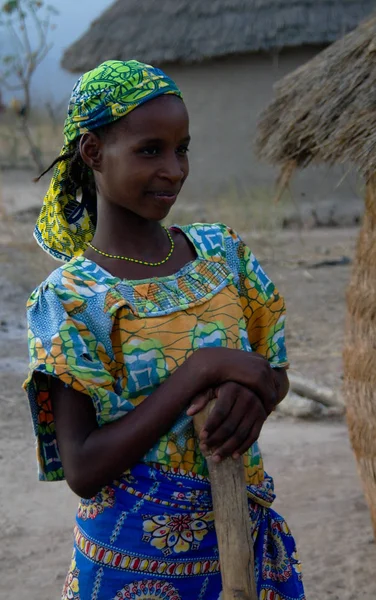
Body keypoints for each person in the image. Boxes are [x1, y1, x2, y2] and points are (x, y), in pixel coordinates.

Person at [24, 60, 305, 600]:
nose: (174, 169)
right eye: (150, 150)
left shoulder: (223, 255)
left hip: (242, 553)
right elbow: (83, 466)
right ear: (92, 153)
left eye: (183, 149)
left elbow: (272, 371)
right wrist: (201, 369)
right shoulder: (71, 299)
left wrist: (253, 396)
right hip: (131, 568)